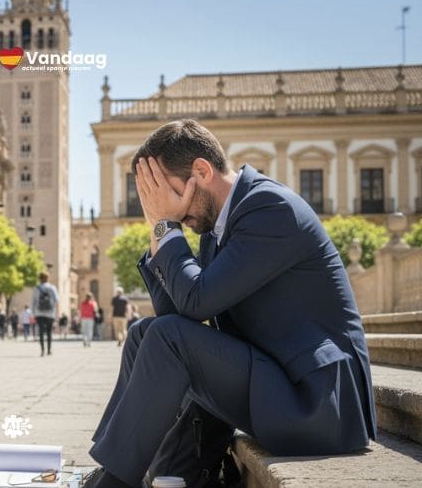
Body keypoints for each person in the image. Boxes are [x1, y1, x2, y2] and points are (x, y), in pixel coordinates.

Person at [83, 120, 376, 488]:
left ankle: (113, 483)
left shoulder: (270, 209)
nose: (166, 208)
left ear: (202, 171)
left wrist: (164, 225)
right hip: (275, 382)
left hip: (318, 406)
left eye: (167, 192)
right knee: (146, 332)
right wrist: (160, 231)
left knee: (167, 336)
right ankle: (110, 466)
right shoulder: (215, 229)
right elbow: (175, 314)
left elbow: (194, 305)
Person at [31, 271, 59, 356]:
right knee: (49, 332)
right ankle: (49, 350)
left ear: (39, 279)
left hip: (39, 313)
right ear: (47, 278)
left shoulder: (36, 288)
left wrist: (34, 313)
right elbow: (56, 300)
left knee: (41, 332)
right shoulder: (52, 288)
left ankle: (42, 350)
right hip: (50, 313)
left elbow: (34, 301)